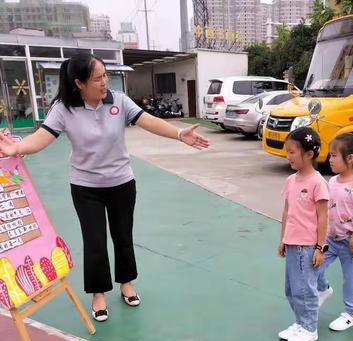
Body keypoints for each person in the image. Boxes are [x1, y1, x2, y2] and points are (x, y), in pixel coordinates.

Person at [0, 53, 209, 322]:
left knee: (123, 236)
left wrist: (180, 134)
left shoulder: (118, 101)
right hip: (86, 187)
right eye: (97, 78)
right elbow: (42, 137)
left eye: (105, 76)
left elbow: (148, 121)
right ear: (79, 83)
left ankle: (126, 283)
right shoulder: (64, 108)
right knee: (95, 241)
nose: (104, 83)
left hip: (122, 183)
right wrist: (16, 147)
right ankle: (98, 293)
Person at [317, 133, 353, 332]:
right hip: (331, 239)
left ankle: (350, 314)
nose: (330, 159)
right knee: (314, 267)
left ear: (350, 158)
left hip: (351, 242)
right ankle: (323, 289)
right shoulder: (333, 181)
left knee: (352, 279)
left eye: (334, 155)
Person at [277, 127, 329, 341]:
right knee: (290, 288)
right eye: (287, 151)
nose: (288, 156)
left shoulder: (317, 182)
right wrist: (283, 239)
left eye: (292, 152)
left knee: (305, 289)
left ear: (308, 155)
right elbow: (287, 212)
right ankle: (300, 322)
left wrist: (320, 247)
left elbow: (323, 217)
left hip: (307, 246)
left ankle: (310, 328)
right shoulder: (291, 181)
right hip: (292, 243)